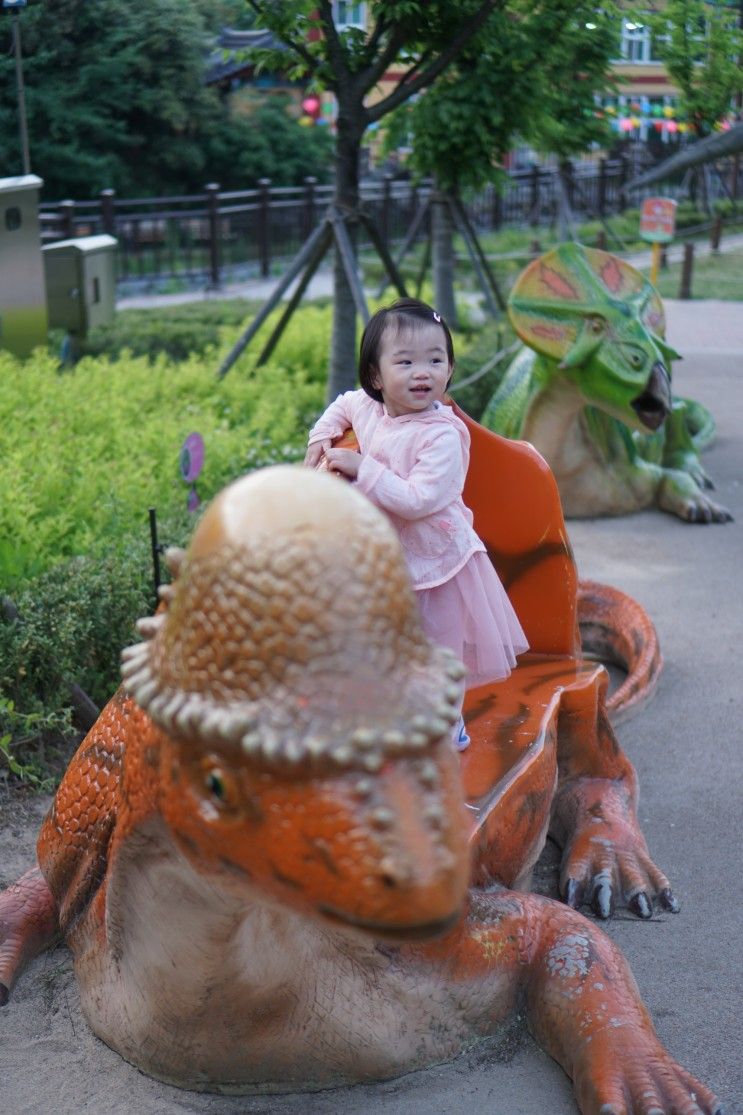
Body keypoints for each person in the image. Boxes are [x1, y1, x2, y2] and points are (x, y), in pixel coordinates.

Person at [304, 298, 528, 750]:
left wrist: (361, 467)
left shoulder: (440, 434)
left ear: (449, 369)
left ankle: (447, 728)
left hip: (439, 564)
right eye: (404, 362)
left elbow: (418, 499)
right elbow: (344, 404)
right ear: (376, 377)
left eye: (435, 360)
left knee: (438, 651)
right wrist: (321, 435)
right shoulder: (371, 409)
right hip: (391, 559)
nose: (421, 372)